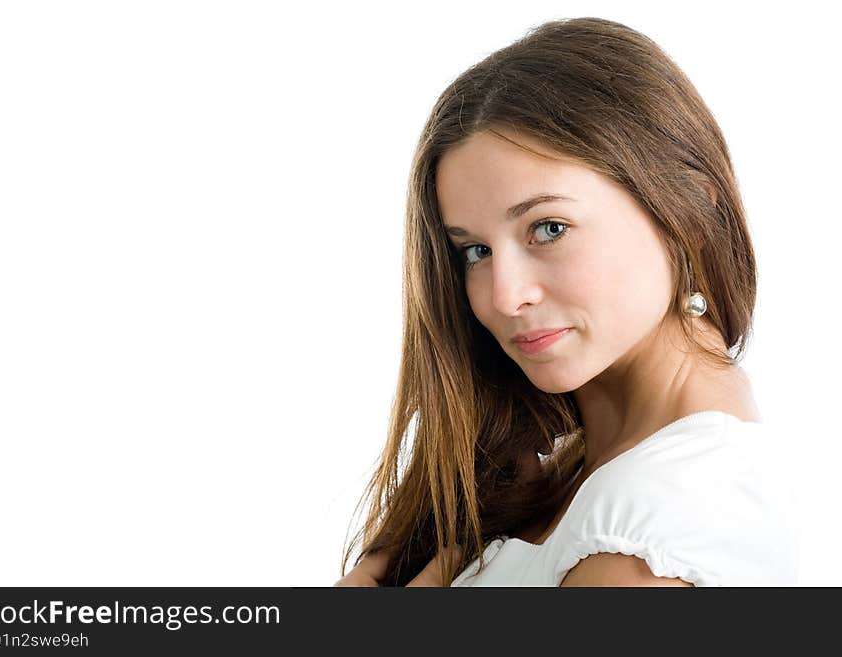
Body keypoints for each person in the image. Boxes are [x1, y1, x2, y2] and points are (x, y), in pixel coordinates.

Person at [334, 16, 798, 587]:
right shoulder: (572, 469)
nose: (504, 296)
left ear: (689, 212)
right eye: (475, 251)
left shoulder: (650, 531)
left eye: (549, 228)